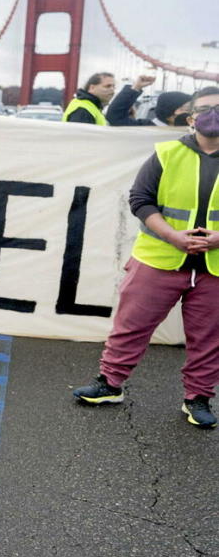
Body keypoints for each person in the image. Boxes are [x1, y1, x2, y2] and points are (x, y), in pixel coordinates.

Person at [72, 87, 219, 428]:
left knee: (210, 338)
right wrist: (172, 235)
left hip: (214, 267)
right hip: (159, 258)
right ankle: (109, 384)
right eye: (206, 108)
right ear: (191, 117)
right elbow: (141, 199)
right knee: (131, 326)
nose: (213, 114)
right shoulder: (166, 153)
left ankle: (198, 398)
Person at [64, 72, 155, 125]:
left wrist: (136, 87)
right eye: (107, 86)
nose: (112, 90)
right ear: (92, 88)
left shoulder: (91, 107)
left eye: (113, 87)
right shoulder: (82, 110)